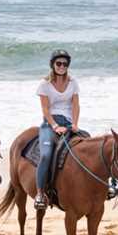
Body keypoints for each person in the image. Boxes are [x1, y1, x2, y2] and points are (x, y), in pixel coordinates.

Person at [34, 49, 80, 209]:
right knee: (46, 155)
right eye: (58, 63)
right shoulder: (44, 84)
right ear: (53, 65)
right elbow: (45, 109)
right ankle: (40, 193)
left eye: (65, 64)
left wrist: (74, 123)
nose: (62, 66)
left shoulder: (73, 82)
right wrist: (54, 126)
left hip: (69, 124)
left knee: (90, 147)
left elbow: (75, 105)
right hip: (50, 124)